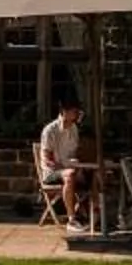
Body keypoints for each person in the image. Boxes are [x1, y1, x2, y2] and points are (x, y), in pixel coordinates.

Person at [36, 99, 91, 230]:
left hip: (70, 169)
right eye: (74, 112)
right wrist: (66, 167)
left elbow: (76, 154)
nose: (77, 114)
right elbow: (47, 160)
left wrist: (78, 164)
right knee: (70, 174)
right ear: (64, 112)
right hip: (52, 172)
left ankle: (94, 215)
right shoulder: (50, 130)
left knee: (96, 174)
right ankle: (71, 220)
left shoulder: (74, 129)